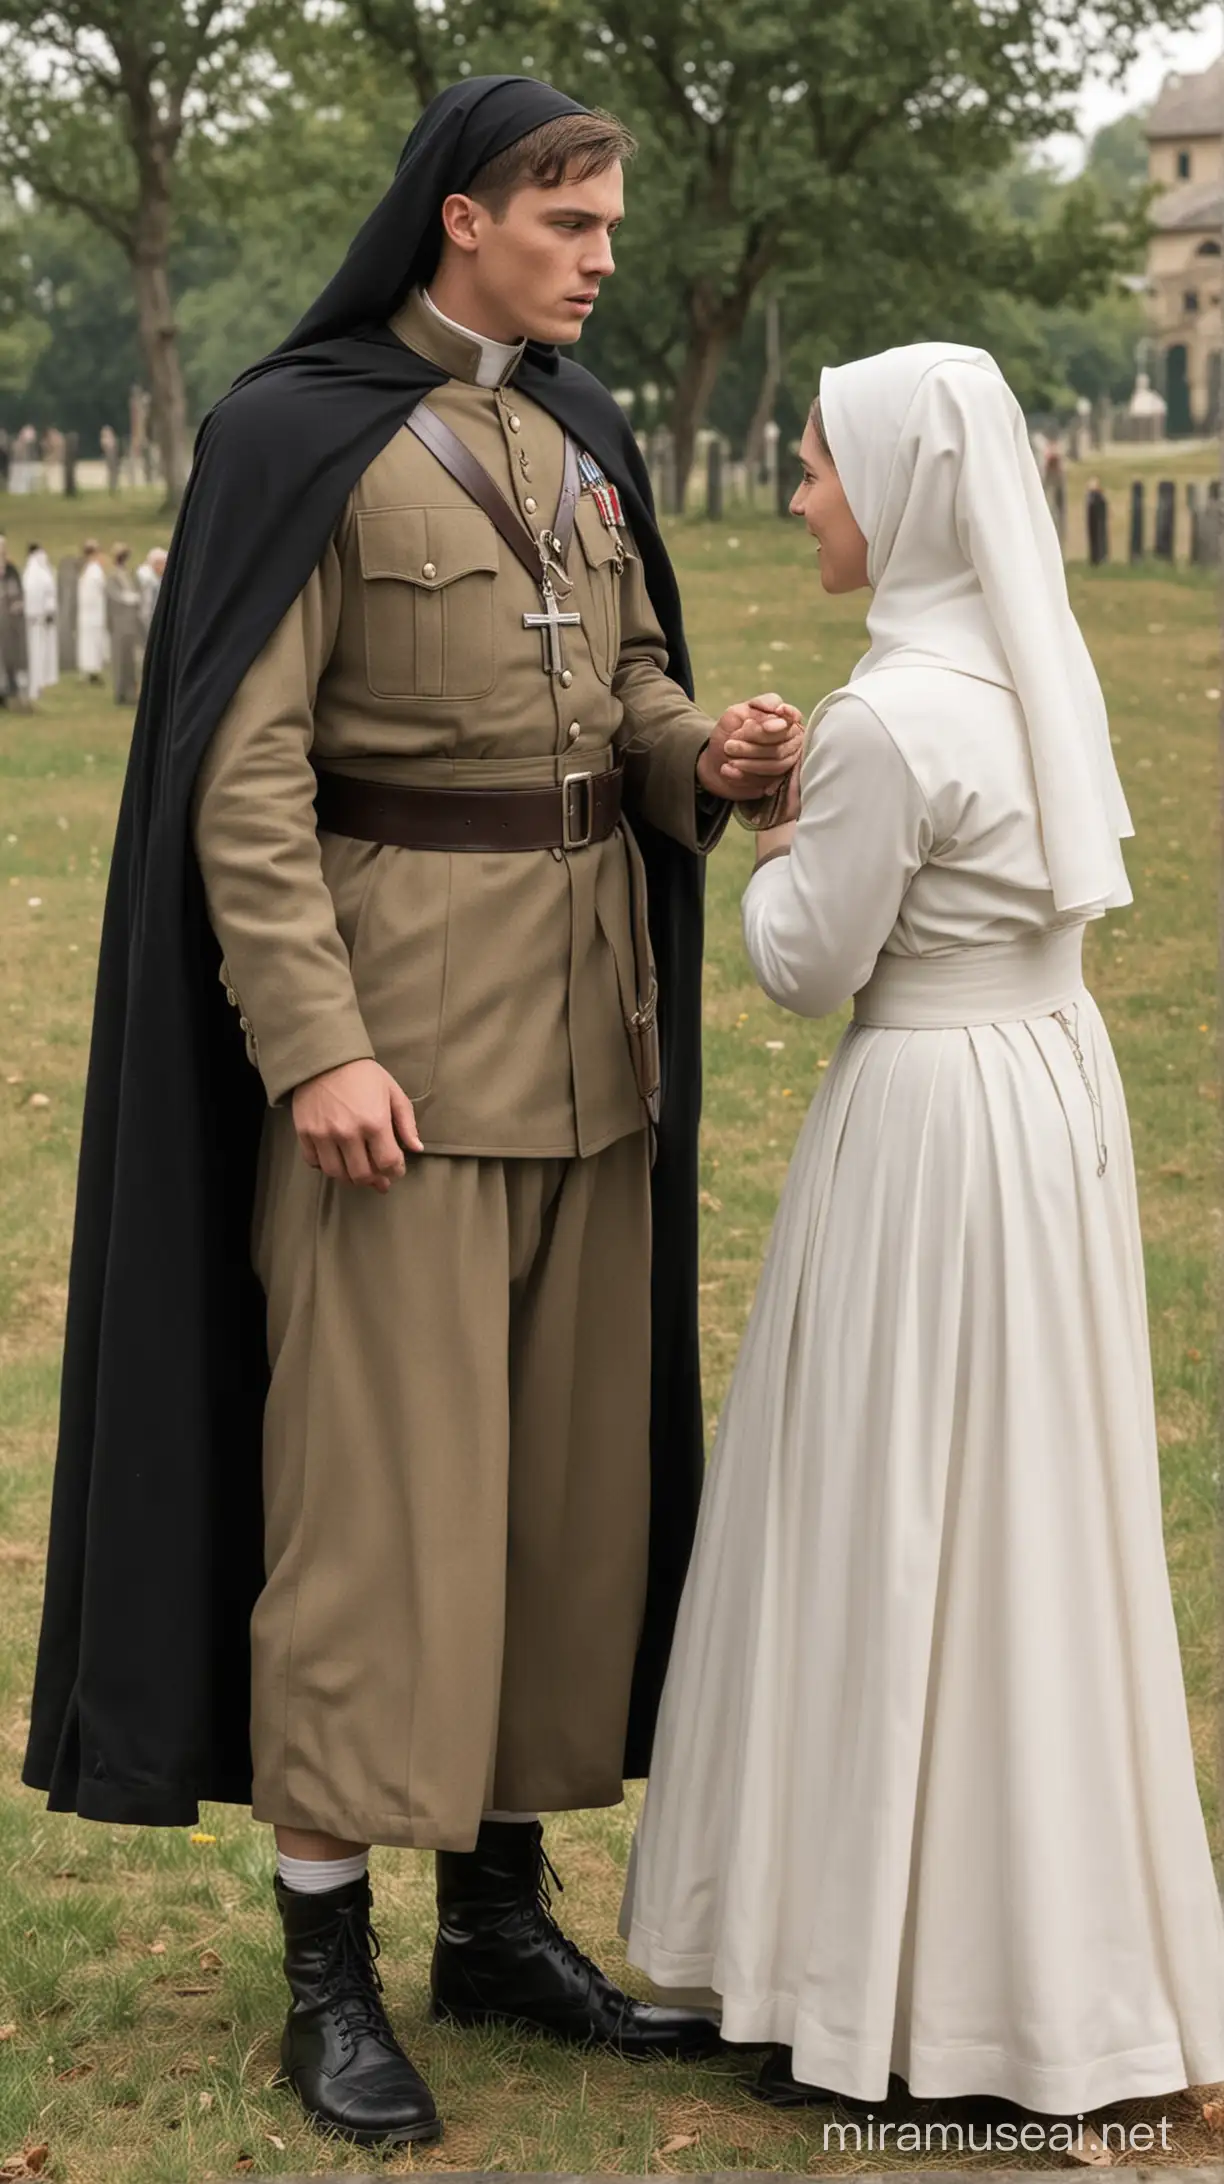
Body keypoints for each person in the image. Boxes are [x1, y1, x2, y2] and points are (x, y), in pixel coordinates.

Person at [23, 78, 804, 2152]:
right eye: (574, 225)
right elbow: (245, 783)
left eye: (616, 228)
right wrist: (318, 1044)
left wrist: (698, 755)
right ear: (462, 220)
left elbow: (619, 684)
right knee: (380, 1524)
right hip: (397, 1070)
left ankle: (502, 1925)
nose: (605, 259)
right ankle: (328, 1969)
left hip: (592, 1050)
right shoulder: (291, 439)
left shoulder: (582, 431)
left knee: (555, 1510)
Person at [622, 344, 1224, 2115]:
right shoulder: (1029, 680)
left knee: (889, 1503)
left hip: (927, 1124)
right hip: (1045, 1089)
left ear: (887, 487)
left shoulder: (888, 714)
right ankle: (1023, 1951)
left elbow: (806, 962)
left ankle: (881, 1983)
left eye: (815, 463)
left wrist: (766, 835)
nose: (802, 489)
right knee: (1025, 1510)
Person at [106, 544, 142, 703]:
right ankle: (120, 693)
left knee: (130, 660)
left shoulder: (129, 574)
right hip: (119, 622)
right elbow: (114, 595)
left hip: (131, 622)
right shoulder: (112, 576)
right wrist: (129, 598)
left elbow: (138, 592)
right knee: (120, 659)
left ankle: (131, 692)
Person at [22, 543, 58, 701]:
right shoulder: (39, 573)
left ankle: (37, 685)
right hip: (36, 621)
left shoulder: (30, 573)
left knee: (37, 655)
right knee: (36, 655)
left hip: (36, 621)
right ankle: (35, 687)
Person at [75, 541, 109, 682]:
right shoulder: (93, 570)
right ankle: (91, 670)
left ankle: (91, 669)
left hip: (90, 613)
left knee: (90, 642)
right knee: (91, 642)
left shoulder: (90, 570)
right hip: (92, 613)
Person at [0, 534, 27, 704]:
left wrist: (18, 603)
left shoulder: (11, 571)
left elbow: (20, 593)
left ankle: (12, 687)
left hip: (10, 624)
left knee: (11, 657)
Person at [136, 544, 167, 639]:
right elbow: (147, 605)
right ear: (156, 564)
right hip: (147, 620)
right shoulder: (148, 580)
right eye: (163, 564)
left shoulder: (157, 578)